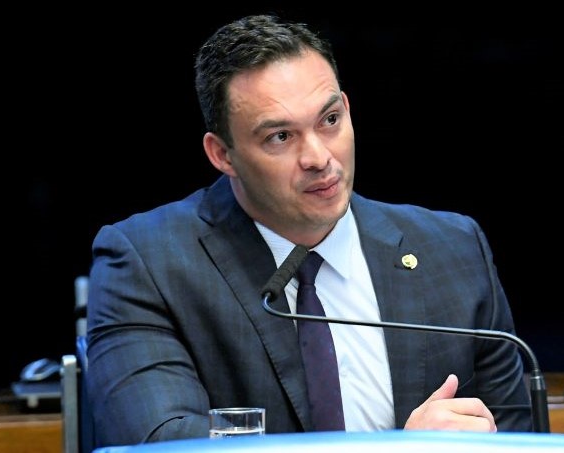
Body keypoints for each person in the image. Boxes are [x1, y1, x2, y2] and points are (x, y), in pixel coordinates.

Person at [86, 14, 533, 448]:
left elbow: (518, 439)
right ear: (222, 154)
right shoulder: (148, 264)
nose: (318, 157)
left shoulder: (453, 250)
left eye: (330, 120)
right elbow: (158, 443)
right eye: (280, 137)